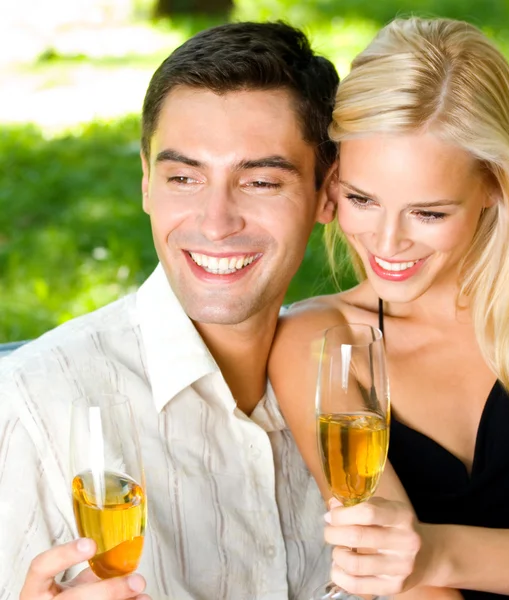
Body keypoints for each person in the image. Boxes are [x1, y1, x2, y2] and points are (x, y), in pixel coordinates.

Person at [0, 21, 339, 600]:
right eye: (183, 177)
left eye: (259, 181)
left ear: (326, 193)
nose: (214, 222)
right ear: (146, 184)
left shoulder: (357, 387)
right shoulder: (33, 405)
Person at [269, 16, 509, 600]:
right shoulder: (320, 340)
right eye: (362, 199)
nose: (388, 243)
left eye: (429, 213)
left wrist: (435, 554)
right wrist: (417, 569)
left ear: (496, 187)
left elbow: (404, 564)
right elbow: (388, 574)